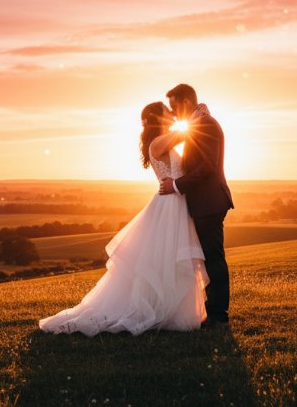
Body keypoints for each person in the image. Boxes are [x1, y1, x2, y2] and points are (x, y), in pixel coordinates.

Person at [38, 100, 211, 336]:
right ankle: (155, 309)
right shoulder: (158, 142)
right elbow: (184, 133)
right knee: (164, 258)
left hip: (175, 202)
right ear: (157, 119)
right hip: (169, 206)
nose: (172, 115)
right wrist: (199, 116)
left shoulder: (162, 140)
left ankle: (172, 310)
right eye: (167, 112)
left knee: (168, 259)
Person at [159, 83, 235, 329]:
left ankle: (218, 316)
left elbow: (207, 168)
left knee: (213, 258)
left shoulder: (205, 124)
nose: (174, 112)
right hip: (205, 202)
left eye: (174, 107)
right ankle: (212, 311)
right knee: (208, 258)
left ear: (185, 102)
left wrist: (176, 185)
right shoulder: (198, 122)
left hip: (209, 202)